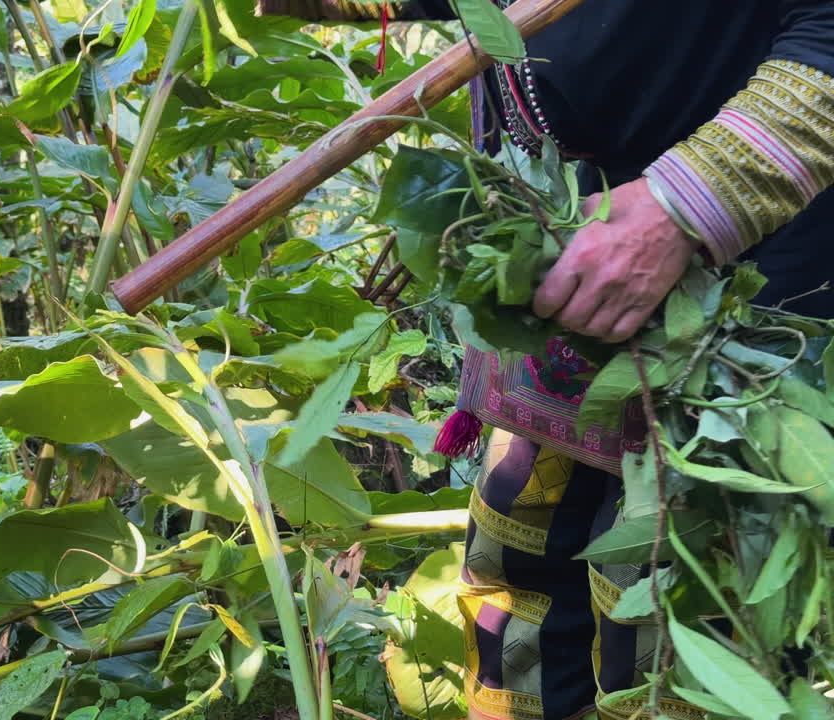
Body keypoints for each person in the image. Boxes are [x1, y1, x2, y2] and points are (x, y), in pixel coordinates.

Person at [258, 2, 834, 718]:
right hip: (562, 275)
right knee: (519, 584)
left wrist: (684, 204)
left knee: (669, 618)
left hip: (753, 297)